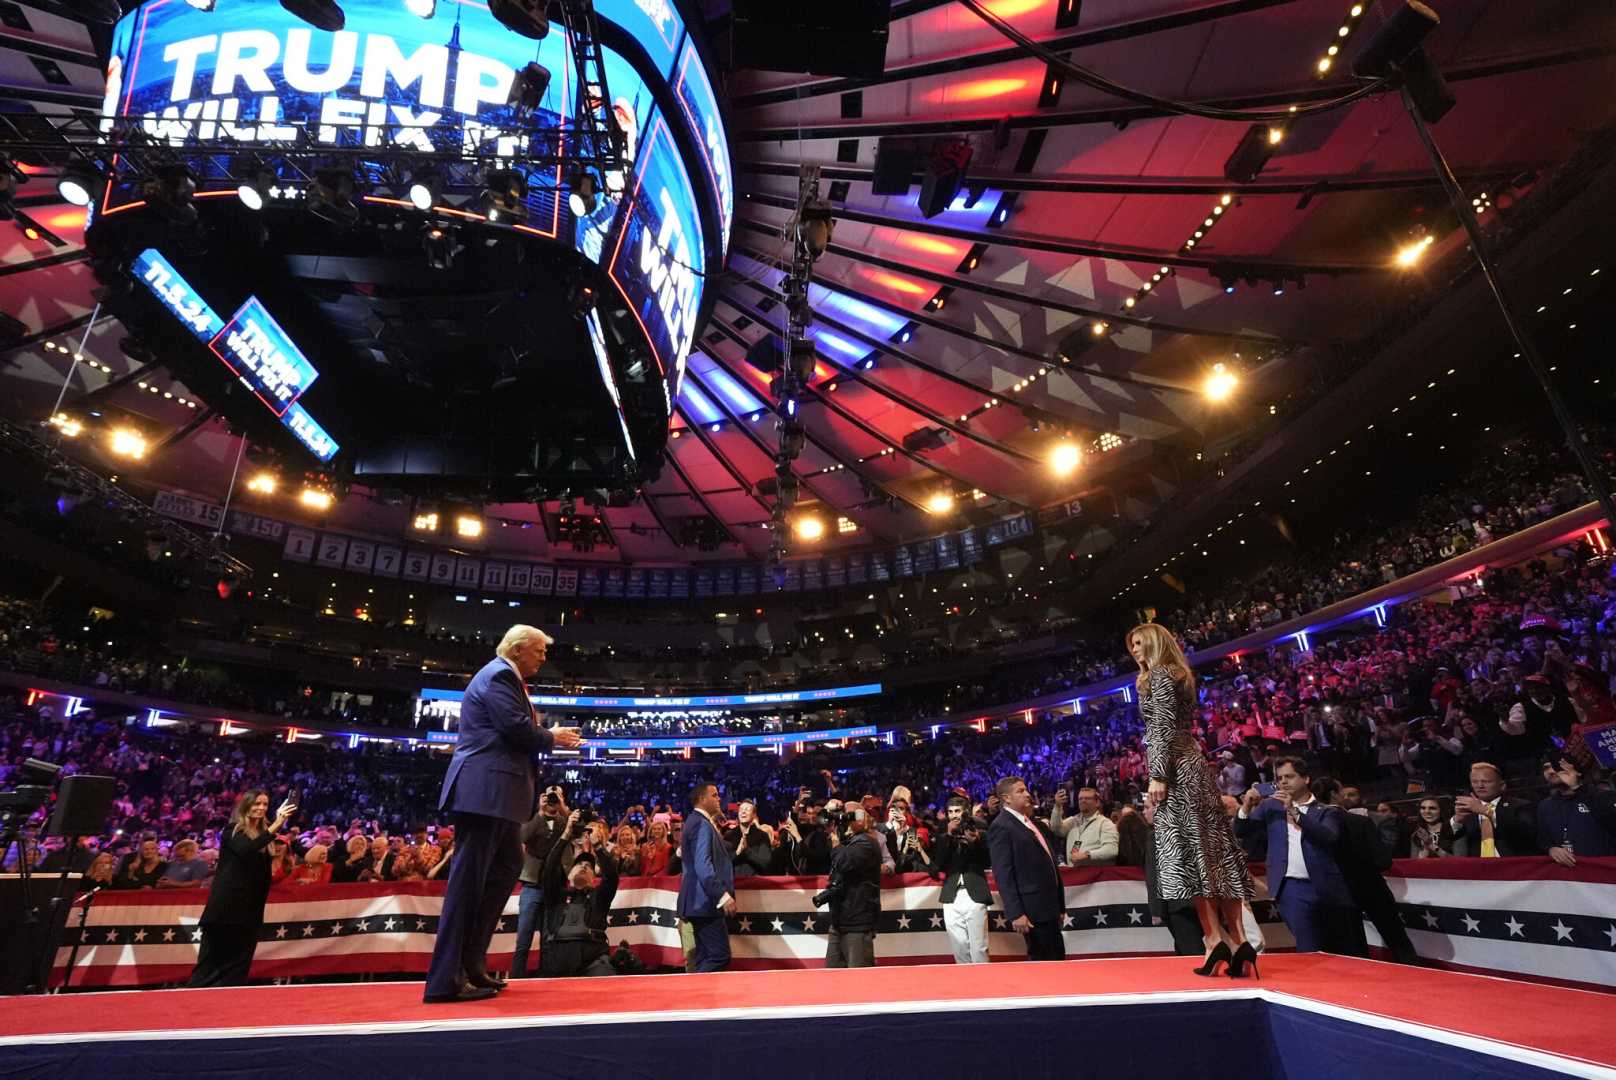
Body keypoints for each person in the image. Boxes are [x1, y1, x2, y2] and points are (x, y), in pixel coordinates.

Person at [424, 625, 581, 1004]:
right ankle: (445, 980)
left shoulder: (507, 679)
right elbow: (514, 728)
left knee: (505, 868)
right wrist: (552, 737)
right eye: (540, 650)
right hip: (485, 795)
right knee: (467, 887)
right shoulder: (498, 676)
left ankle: (473, 966)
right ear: (518, 648)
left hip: (501, 798)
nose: (544, 657)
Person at [1131, 623, 1254, 977]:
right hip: (1193, 767)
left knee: (1188, 856)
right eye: (1133, 645)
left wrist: (1157, 774)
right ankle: (1237, 940)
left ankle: (1215, 938)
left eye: (1140, 643)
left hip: (1175, 771)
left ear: (1155, 643)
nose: (1135, 650)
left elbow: (1162, 728)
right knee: (1212, 851)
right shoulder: (1179, 674)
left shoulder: (1159, 675)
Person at [1237, 757, 1352, 955]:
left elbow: (1329, 836)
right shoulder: (1270, 807)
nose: (1283, 782)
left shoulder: (1326, 810)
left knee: (1337, 948)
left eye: (1289, 776)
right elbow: (1242, 831)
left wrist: (1294, 812)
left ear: (1306, 778)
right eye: (1279, 778)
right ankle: (1315, 985)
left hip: (1326, 887)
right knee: (1309, 948)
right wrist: (1246, 807)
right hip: (1291, 888)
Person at [187, 788, 296, 987]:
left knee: (239, 963)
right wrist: (277, 825)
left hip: (251, 907)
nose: (261, 808)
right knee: (211, 962)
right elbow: (246, 849)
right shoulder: (232, 830)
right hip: (226, 908)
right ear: (246, 806)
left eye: (265, 804)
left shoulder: (265, 833)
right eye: (257, 804)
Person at [1317, 778, 1414, 963]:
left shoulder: (1310, 825)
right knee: (1398, 942)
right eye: (1341, 792)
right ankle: (1417, 979)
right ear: (1334, 795)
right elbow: (1383, 860)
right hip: (1370, 887)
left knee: (1354, 950)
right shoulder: (1360, 822)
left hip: (1335, 893)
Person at [987, 776, 1065, 961]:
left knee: (1057, 958)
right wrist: (1016, 913)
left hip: (1048, 906)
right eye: (1020, 791)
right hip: (1032, 910)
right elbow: (1003, 874)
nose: (1027, 794)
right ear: (1006, 798)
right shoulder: (1001, 826)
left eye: (1026, 789)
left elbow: (1048, 863)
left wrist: (1059, 905)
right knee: (1043, 961)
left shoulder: (1028, 821)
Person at [538, 810, 621, 977]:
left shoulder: (599, 897)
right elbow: (549, 868)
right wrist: (566, 834)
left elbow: (611, 875)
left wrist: (598, 845)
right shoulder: (556, 896)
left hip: (593, 961)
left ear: (593, 878)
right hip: (556, 961)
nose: (584, 866)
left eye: (589, 866)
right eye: (579, 864)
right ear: (569, 875)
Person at [677, 781, 736, 973]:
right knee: (719, 956)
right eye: (715, 795)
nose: (719, 799)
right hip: (705, 903)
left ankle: (699, 998)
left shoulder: (697, 822)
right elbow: (703, 865)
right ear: (702, 799)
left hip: (699, 903)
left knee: (704, 957)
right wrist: (722, 895)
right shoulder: (700, 824)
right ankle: (692, 996)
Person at [815, 803, 882, 968]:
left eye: (851, 815)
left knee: (859, 978)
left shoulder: (867, 843)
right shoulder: (847, 842)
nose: (846, 818)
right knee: (833, 976)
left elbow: (845, 863)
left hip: (858, 922)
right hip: (839, 920)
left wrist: (836, 841)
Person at [512, 786, 568, 979]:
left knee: (549, 937)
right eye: (550, 796)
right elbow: (523, 836)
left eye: (556, 796)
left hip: (555, 885)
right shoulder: (533, 820)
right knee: (524, 937)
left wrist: (562, 806)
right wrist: (539, 812)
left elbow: (576, 831)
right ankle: (517, 977)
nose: (552, 800)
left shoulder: (564, 821)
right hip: (532, 884)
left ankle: (546, 977)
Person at [931, 796, 991, 964]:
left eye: (957, 811)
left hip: (975, 891)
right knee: (959, 947)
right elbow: (939, 865)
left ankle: (986, 986)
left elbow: (987, 861)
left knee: (979, 946)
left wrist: (975, 842)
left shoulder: (980, 827)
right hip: (951, 894)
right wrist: (949, 836)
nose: (954, 815)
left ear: (966, 811)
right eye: (950, 812)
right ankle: (967, 987)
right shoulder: (943, 832)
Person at [1537, 756, 1616, 863]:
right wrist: (1550, 849)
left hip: (1605, 870)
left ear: (1576, 770)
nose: (1550, 771)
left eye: (1556, 766)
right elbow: (1544, 840)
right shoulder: (1545, 806)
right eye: (1546, 768)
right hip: (1573, 875)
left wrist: (1577, 787)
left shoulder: (1602, 796)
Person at [1451, 762, 1537, 857]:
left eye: (1486, 781)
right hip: (1479, 867)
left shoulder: (1520, 806)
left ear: (1502, 785)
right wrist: (1457, 822)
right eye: (1475, 782)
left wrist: (1486, 811)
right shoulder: (1467, 810)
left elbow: (1527, 834)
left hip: (1513, 866)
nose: (1480, 786)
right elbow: (1453, 846)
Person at [1049, 786, 1119, 866]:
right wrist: (1057, 807)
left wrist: (1087, 855)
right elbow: (1055, 829)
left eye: (1087, 798)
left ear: (1097, 802)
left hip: (1095, 875)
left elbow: (1111, 849)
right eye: (1080, 799)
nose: (1083, 801)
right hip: (1075, 873)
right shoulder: (1074, 820)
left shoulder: (1105, 823)